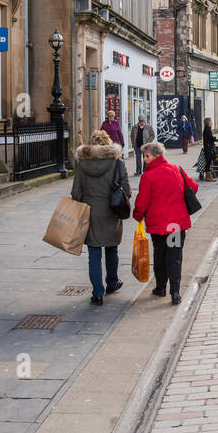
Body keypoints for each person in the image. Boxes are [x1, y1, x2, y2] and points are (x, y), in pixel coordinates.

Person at [132, 141, 199, 305]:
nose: (145, 159)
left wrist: (137, 216)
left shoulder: (148, 177)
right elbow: (194, 187)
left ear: (156, 156)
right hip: (175, 225)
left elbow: (142, 203)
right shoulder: (177, 169)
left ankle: (160, 287)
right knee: (175, 256)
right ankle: (175, 292)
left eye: (147, 156)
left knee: (160, 255)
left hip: (159, 227)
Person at [71, 130, 129, 304]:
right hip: (112, 211)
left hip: (90, 212)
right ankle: (112, 282)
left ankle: (97, 293)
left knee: (94, 253)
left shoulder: (82, 164)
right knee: (112, 249)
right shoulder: (117, 163)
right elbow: (126, 190)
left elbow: (76, 193)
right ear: (109, 143)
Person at [201, 117, 216, 181]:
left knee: (208, 162)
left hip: (207, 148)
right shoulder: (207, 130)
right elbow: (210, 139)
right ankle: (208, 177)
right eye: (210, 122)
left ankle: (209, 176)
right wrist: (214, 138)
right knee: (208, 162)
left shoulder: (206, 129)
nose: (211, 123)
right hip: (208, 148)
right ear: (208, 123)